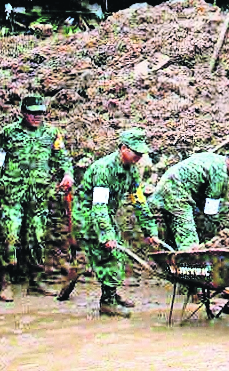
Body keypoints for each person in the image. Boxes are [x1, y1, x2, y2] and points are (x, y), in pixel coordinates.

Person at [0, 94, 74, 302]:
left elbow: (63, 158)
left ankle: (36, 280)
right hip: (12, 193)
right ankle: (6, 280)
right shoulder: (8, 133)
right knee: (10, 236)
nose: (37, 117)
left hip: (39, 195)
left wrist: (68, 174)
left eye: (41, 113)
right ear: (23, 113)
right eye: (33, 113)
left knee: (37, 237)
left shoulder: (52, 134)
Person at [71, 128, 160, 317]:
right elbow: (99, 207)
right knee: (108, 255)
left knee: (117, 253)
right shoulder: (104, 169)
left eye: (140, 153)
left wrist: (150, 230)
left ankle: (103, 285)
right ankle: (107, 303)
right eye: (135, 152)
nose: (138, 156)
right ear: (123, 148)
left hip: (104, 214)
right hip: (87, 215)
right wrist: (106, 234)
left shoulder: (131, 171)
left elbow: (139, 201)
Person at [147, 147, 229, 249]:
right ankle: (190, 262)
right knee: (187, 236)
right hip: (177, 192)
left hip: (163, 186)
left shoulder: (210, 157)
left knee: (168, 228)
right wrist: (219, 228)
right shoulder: (221, 174)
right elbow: (211, 208)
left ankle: (168, 256)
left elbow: (201, 195)